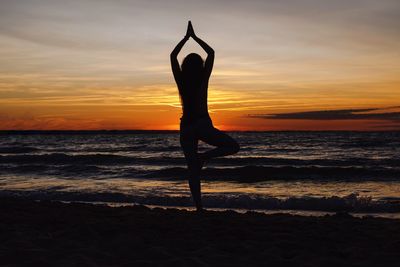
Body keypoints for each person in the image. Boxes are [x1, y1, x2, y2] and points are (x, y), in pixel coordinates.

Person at [170, 21, 240, 211]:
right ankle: (205, 157)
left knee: (192, 170)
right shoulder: (203, 78)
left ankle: (199, 207)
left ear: (185, 66)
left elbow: (173, 55)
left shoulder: (181, 80)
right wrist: (195, 38)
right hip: (201, 123)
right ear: (200, 65)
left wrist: (185, 39)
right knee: (233, 146)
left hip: (186, 127)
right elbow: (211, 53)